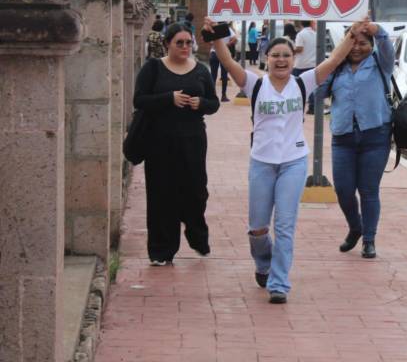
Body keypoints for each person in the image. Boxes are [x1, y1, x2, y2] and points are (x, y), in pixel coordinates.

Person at [203, 16, 362, 304]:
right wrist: (216, 35)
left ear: (293, 58)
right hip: (261, 163)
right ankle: (263, 264)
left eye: (286, 55)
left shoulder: (304, 83)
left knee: (285, 226)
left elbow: (336, 58)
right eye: (275, 55)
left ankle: (279, 283)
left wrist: (353, 33)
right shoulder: (255, 84)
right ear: (266, 58)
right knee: (258, 228)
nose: (281, 60)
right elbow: (227, 62)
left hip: (294, 162)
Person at [133, 22, 220, 266]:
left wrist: (199, 104)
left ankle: (196, 236)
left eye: (188, 42)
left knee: (196, 192)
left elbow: (214, 103)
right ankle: (162, 250)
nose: (184, 47)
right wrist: (168, 99)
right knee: (162, 195)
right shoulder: (154, 68)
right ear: (168, 44)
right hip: (159, 142)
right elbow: (139, 99)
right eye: (179, 43)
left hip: (193, 141)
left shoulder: (201, 70)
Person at [328, 21, 395, 259]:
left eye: (363, 43)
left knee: (368, 190)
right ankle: (355, 227)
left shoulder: (380, 63)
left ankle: (369, 239)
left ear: (372, 44)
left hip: (375, 136)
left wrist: (378, 30)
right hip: (343, 137)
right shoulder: (336, 67)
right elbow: (316, 90)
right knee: (344, 190)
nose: (357, 48)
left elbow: (388, 47)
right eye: (352, 43)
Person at [209, 23, 237, 102]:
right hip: (224, 54)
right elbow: (235, 39)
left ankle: (212, 95)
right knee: (224, 75)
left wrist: (215, 44)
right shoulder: (227, 29)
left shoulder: (213, 29)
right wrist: (226, 45)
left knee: (212, 75)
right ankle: (223, 96)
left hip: (214, 53)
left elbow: (208, 41)